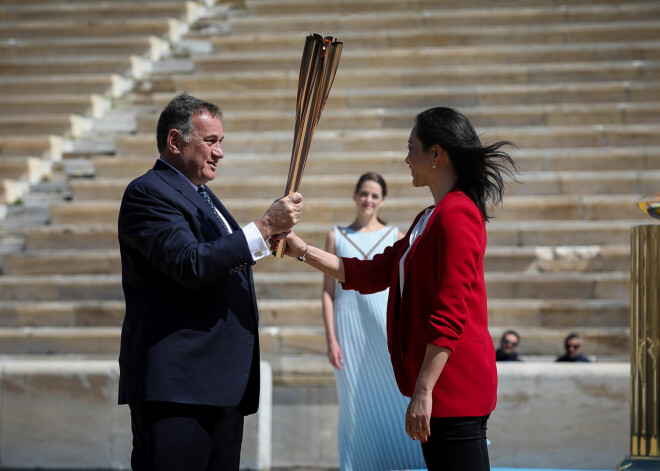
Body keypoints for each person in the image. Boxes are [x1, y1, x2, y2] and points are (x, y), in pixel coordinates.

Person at [272, 106, 517, 470]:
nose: (406, 158)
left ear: (436, 154)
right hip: (438, 388)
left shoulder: (459, 214)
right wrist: (302, 251)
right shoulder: (427, 218)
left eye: (411, 148)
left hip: (454, 388)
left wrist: (423, 391)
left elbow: (452, 311)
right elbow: (372, 273)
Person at [117, 92, 303, 471]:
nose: (219, 153)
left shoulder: (202, 195)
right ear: (175, 141)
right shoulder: (148, 193)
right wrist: (263, 226)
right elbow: (189, 264)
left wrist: (268, 237)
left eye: (221, 142)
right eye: (210, 141)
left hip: (218, 387)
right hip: (179, 390)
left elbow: (221, 258)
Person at [322, 172, 425, 470]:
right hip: (348, 332)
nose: (368, 200)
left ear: (383, 201)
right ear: (355, 196)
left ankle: (407, 464)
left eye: (374, 195)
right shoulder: (336, 235)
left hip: (384, 329)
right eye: (364, 194)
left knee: (394, 399)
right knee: (354, 406)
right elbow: (328, 293)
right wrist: (331, 339)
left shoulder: (395, 235)